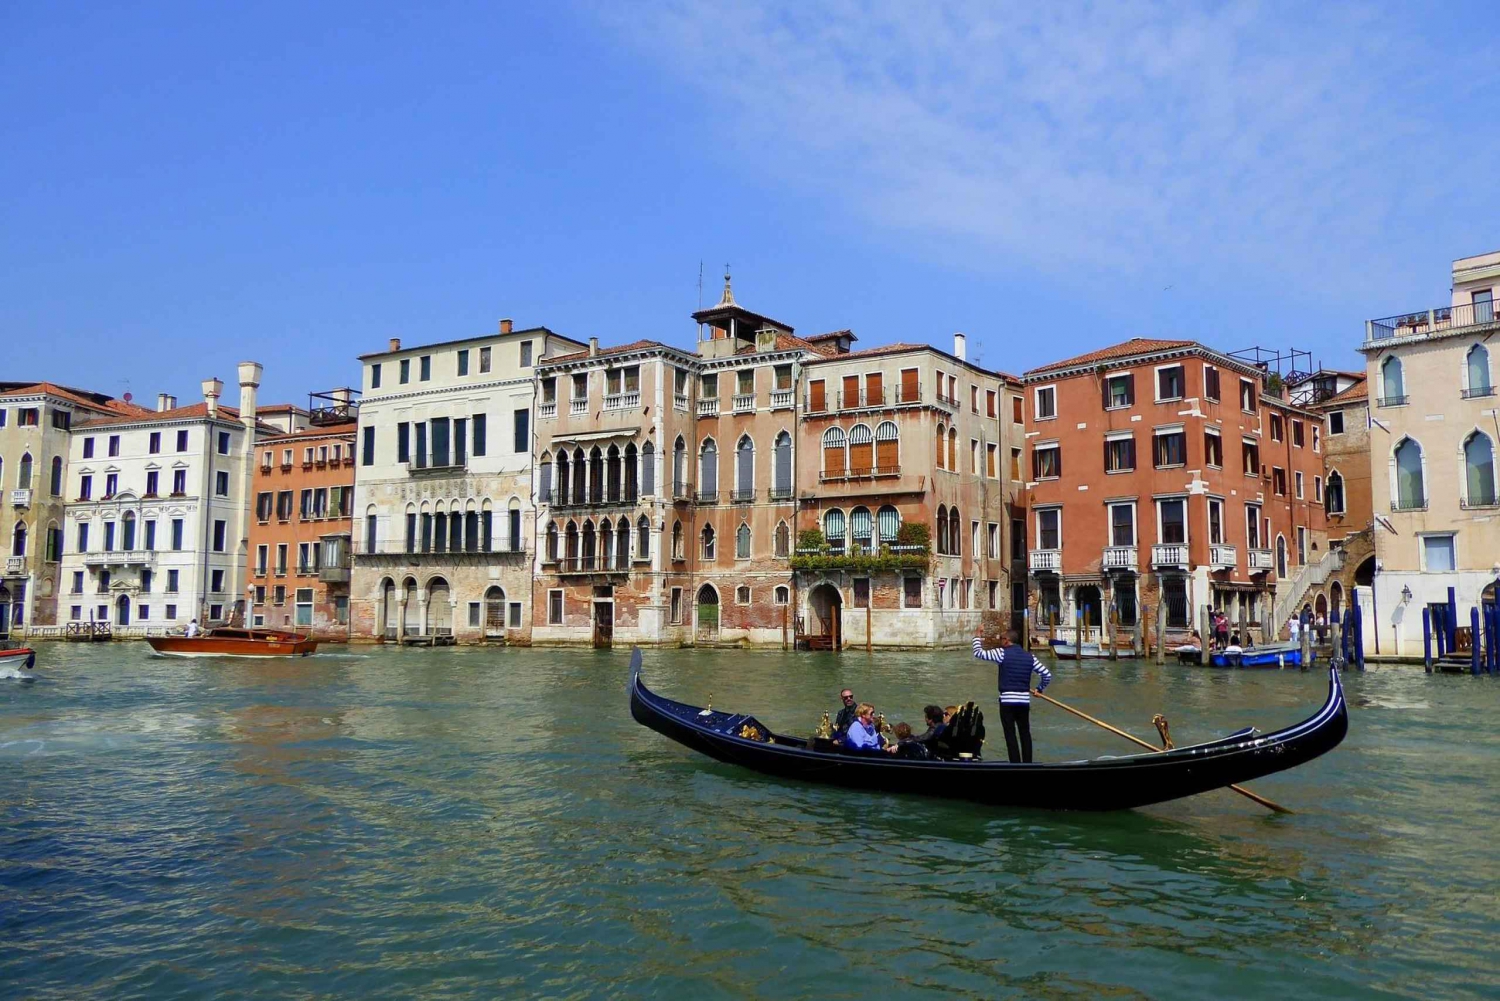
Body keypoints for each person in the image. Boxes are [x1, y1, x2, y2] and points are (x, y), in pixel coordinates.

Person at [972, 630, 1052, 764]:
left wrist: (977, 636)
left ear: (1007, 640)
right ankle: (1028, 764)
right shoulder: (1030, 657)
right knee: (1025, 733)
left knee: (1010, 735)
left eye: (1001, 639)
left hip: (1007, 701)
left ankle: (1015, 764)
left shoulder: (1001, 653)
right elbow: (1047, 675)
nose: (1000, 641)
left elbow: (978, 653)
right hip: (1023, 702)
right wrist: (1039, 689)